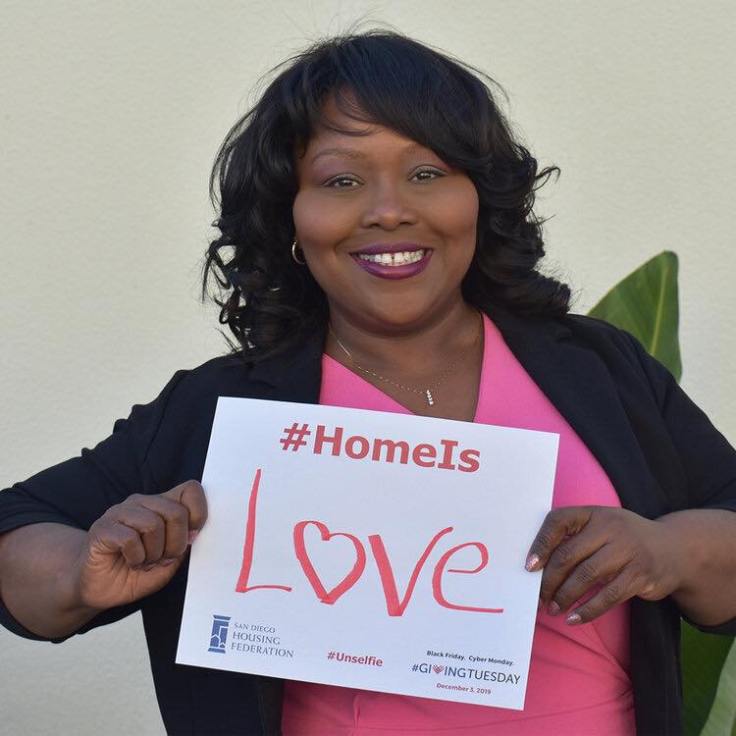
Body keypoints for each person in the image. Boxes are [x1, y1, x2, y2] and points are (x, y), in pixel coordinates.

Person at [0, 30, 735, 736]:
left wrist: (669, 550)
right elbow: (17, 532)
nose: (388, 209)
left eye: (427, 173)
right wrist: (78, 576)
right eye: (341, 180)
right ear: (290, 215)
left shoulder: (598, 368)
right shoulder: (222, 409)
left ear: (480, 197)